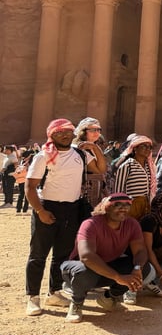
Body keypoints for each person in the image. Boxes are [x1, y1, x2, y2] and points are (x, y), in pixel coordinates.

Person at [24, 119, 105, 316]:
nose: (65, 135)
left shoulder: (80, 154)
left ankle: (54, 291)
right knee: (38, 255)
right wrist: (40, 211)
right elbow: (30, 187)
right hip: (47, 207)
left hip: (71, 208)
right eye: (60, 132)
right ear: (51, 135)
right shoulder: (44, 156)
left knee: (62, 254)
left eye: (68, 132)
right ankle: (33, 297)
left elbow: (101, 169)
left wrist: (95, 148)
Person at [60, 193, 151, 323]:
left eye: (127, 205)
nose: (123, 208)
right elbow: (86, 256)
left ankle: (109, 298)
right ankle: (76, 303)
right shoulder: (90, 224)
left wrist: (137, 268)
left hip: (107, 267)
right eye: (117, 205)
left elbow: (140, 250)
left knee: (144, 268)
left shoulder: (132, 224)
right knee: (83, 271)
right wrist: (117, 277)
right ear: (106, 208)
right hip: (80, 267)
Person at [113, 135, 157, 219]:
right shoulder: (127, 165)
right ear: (135, 148)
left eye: (150, 147)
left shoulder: (149, 167)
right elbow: (118, 189)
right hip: (131, 206)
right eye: (144, 146)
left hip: (146, 205)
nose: (148, 149)